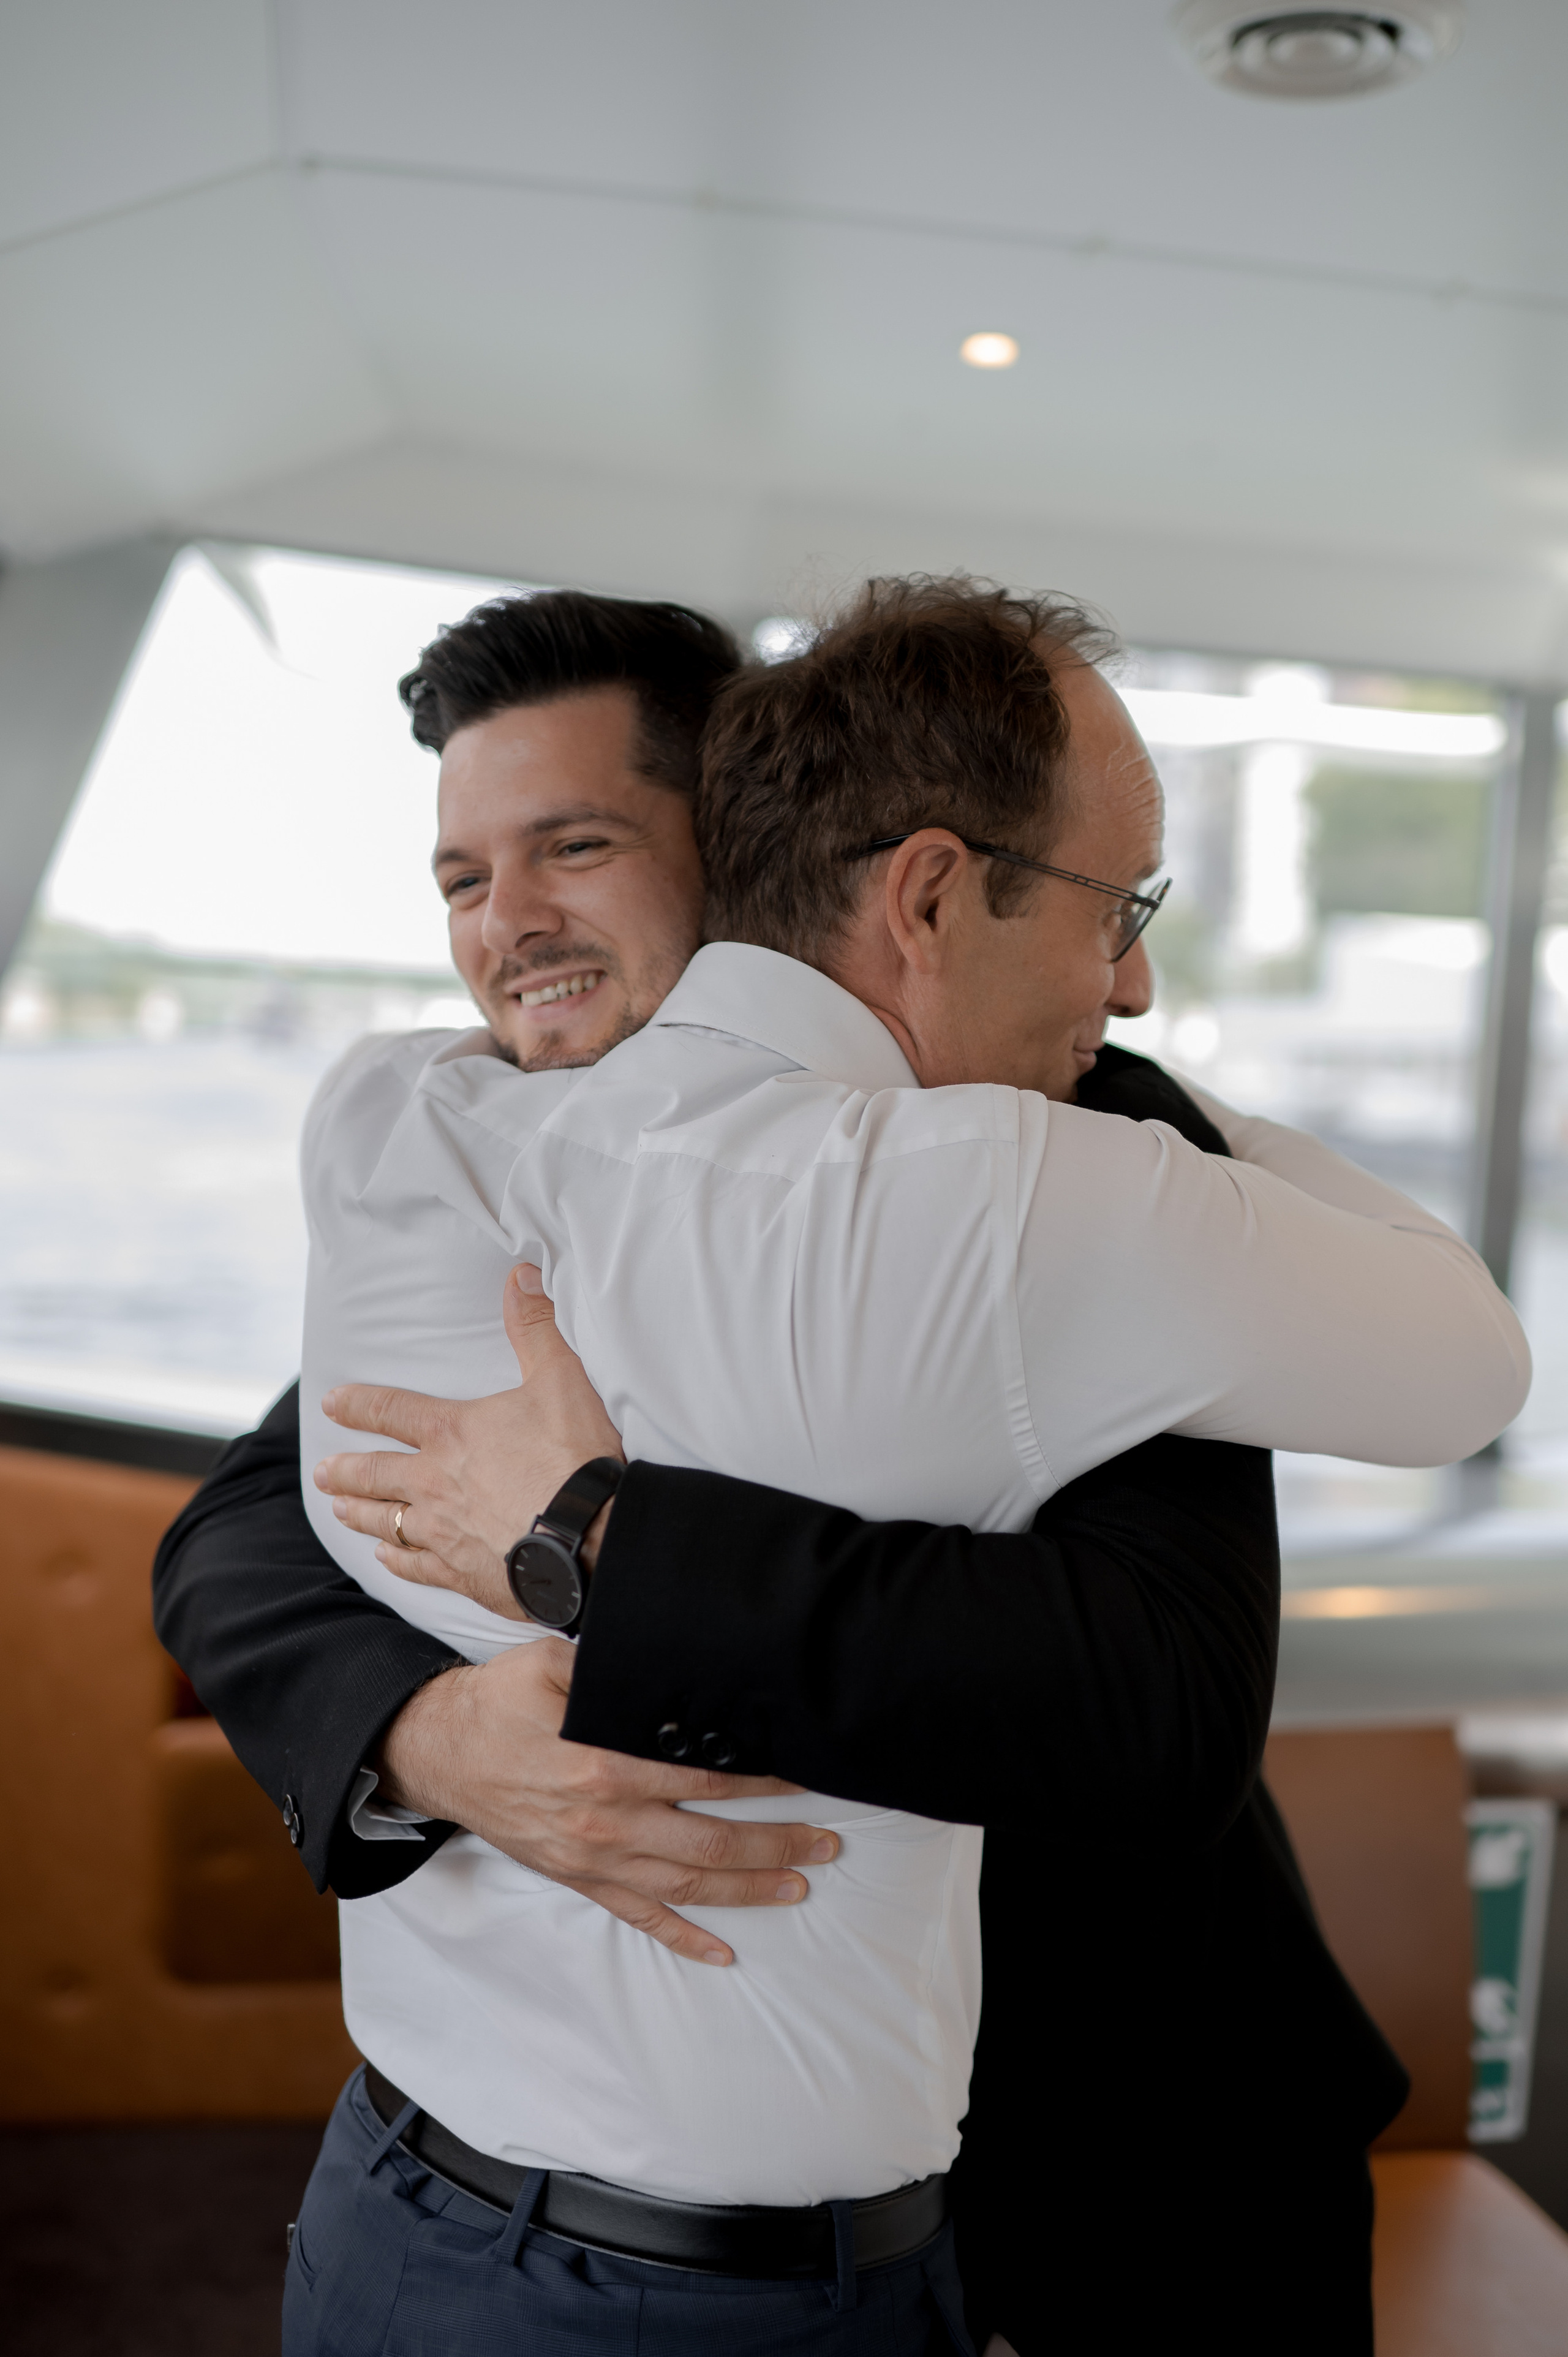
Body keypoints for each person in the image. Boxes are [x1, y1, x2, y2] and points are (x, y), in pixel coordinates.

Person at [148, 580, 1507, 2353]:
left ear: (745, 857)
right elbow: (246, 1525)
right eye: (465, 880)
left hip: (1116, 2142)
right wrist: (423, 1737)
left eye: (576, 847)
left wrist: (601, 1545)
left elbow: (1154, 1696)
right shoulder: (461, 1158)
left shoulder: (1063, 1154)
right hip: (515, 2202)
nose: (511, 927)